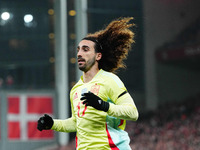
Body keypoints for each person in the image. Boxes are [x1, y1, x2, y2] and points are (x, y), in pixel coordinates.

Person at [37, 17, 139, 150]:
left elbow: (133, 113)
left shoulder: (109, 80)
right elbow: (76, 123)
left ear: (98, 56)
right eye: (78, 49)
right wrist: (52, 124)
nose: (79, 54)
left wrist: (103, 105)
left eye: (85, 50)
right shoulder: (76, 89)